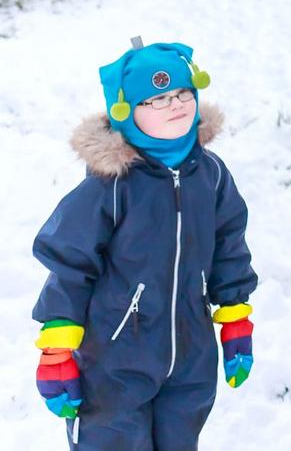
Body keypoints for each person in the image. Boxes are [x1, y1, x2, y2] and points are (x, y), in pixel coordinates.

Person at [32, 39, 258, 450]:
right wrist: (57, 350)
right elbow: (70, 264)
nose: (174, 104)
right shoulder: (111, 184)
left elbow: (229, 246)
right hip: (115, 355)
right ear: (127, 113)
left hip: (191, 348)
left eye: (182, 93)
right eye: (156, 99)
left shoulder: (211, 175)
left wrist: (236, 318)